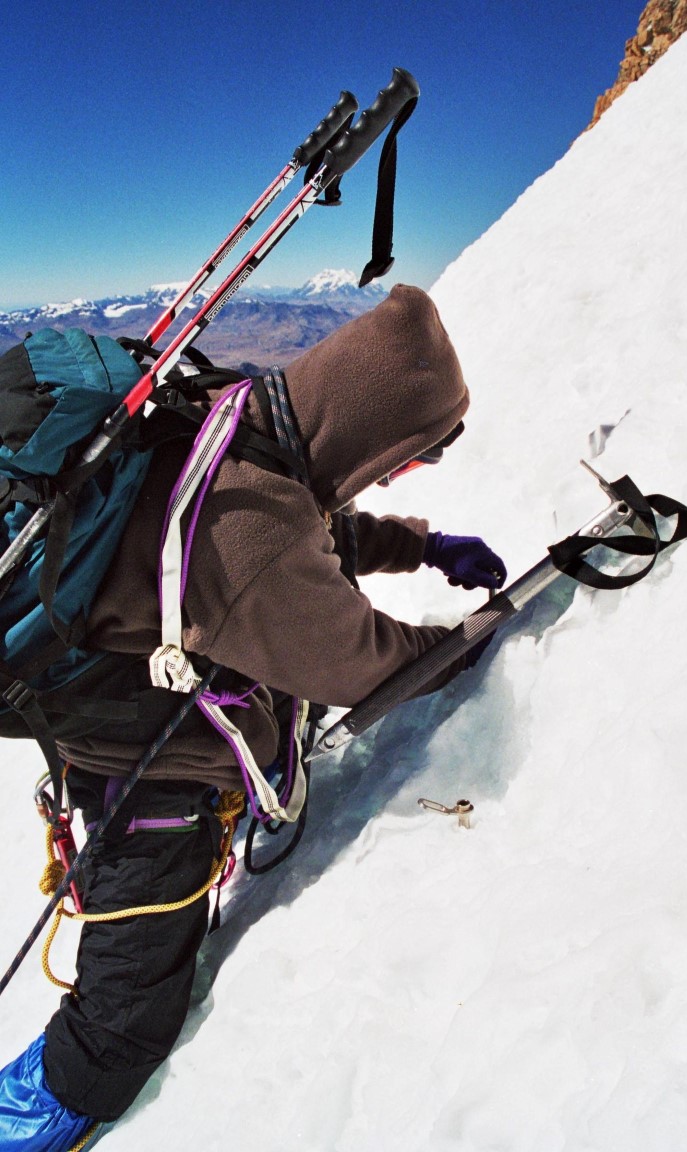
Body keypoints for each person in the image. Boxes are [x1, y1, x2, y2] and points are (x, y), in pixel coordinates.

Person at [0, 284, 506, 1147]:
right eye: (408, 457)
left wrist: (421, 545)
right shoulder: (254, 530)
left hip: (112, 675)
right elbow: (356, 657)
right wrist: (469, 638)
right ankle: (52, 1103)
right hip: (140, 759)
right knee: (130, 994)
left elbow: (312, 526)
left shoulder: (235, 416)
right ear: (374, 428)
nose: (398, 475)